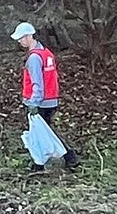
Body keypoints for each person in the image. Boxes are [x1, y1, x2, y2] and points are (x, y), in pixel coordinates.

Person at [12, 22, 78, 171]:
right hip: (51, 99)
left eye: (21, 38)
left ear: (29, 36)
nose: (19, 41)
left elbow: (37, 84)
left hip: (39, 102)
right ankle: (44, 162)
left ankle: (57, 159)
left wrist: (33, 103)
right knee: (45, 131)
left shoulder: (34, 58)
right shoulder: (46, 53)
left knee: (41, 133)